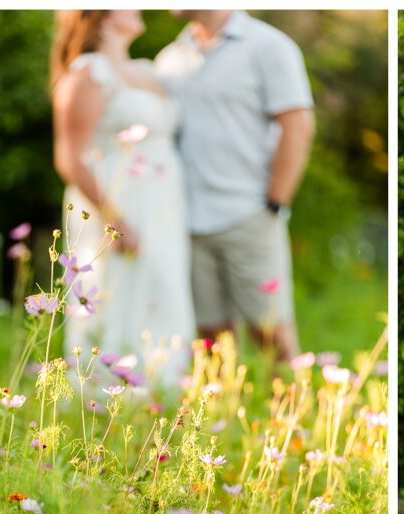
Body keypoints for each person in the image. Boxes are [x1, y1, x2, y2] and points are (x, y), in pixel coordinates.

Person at [155, 10, 315, 363]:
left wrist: (274, 203)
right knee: (210, 340)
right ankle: (219, 417)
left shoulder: (269, 46)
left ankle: (295, 418)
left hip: (249, 215)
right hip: (188, 223)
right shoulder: (169, 59)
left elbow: (298, 125)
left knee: (271, 333)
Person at [51, 10, 196, 387]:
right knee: (115, 301)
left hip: (162, 204)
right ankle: (101, 403)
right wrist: (116, 221)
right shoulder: (87, 73)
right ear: (102, 16)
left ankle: (161, 394)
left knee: (162, 293)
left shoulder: (148, 71)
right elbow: (69, 157)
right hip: (116, 206)